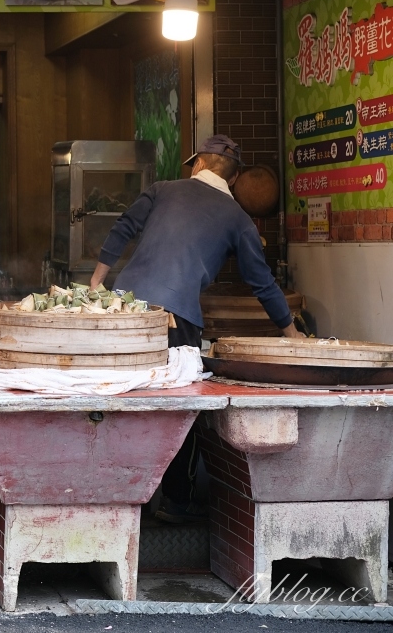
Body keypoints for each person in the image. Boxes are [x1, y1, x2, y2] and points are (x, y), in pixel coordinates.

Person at [89, 134, 302, 522]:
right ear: (233, 178)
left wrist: (96, 284)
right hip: (177, 319)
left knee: (115, 398)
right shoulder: (238, 219)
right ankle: (176, 502)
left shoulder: (162, 189)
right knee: (180, 408)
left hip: (123, 309)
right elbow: (262, 283)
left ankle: (111, 497)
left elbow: (123, 227)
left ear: (198, 164)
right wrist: (292, 334)